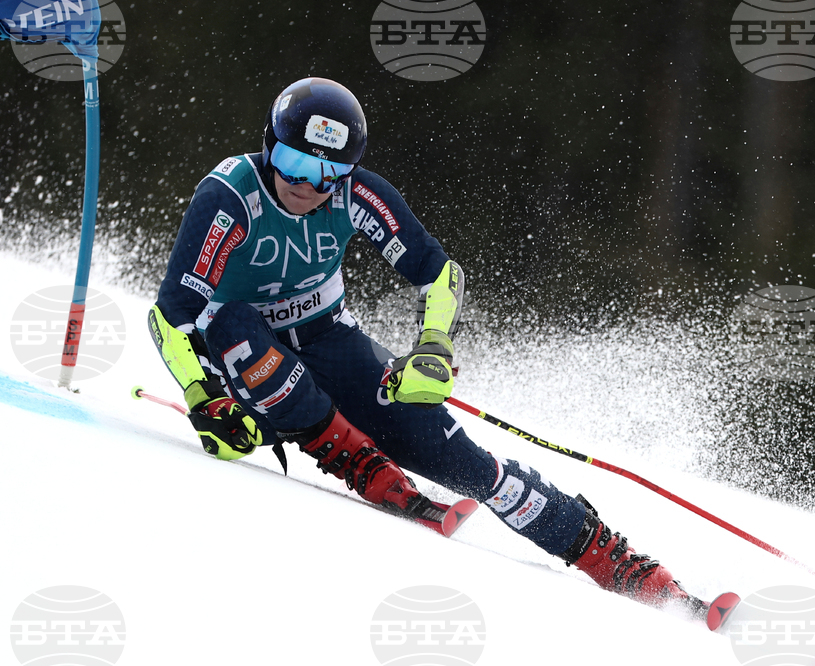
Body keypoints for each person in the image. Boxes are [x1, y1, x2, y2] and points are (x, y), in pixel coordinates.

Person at [149, 77, 712, 620]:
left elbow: (439, 273)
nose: (309, 185)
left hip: (325, 337)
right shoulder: (229, 197)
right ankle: (348, 453)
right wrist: (201, 397)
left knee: (462, 461)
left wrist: (433, 348)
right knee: (236, 325)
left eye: (329, 172)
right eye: (294, 163)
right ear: (269, 147)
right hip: (236, 353)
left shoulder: (356, 195)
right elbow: (168, 317)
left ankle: (605, 553)